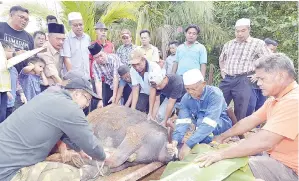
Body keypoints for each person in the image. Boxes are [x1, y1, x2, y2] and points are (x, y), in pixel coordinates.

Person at [196, 53, 298, 181]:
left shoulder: (293, 102)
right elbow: (250, 120)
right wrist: (222, 137)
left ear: (280, 76)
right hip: (273, 156)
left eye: (262, 78)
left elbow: (264, 141)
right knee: (233, 153)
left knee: (226, 168)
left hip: (289, 169)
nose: (259, 83)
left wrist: (221, 154)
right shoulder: (275, 99)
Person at [0, 77, 106, 181]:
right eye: (87, 99)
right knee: (73, 174)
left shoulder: (48, 96)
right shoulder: (70, 107)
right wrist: (103, 157)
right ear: (77, 94)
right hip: (7, 173)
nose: (87, 104)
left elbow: (63, 133)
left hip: (5, 157)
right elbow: (89, 142)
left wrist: (79, 149)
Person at [170, 69, 232, 160]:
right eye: (187, 89)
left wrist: (188, 144)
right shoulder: (186, 98)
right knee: (195, 125)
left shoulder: (215, 94)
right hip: (200, 127)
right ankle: (202, 141)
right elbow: (183, 121)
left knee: (200, 122)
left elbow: (209, 123)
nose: (190, 92)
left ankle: (217, 139)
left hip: (220, 124)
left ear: (203, 84)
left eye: (194, 88)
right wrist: (175, 140)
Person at [219, 18, 271, 122]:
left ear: (249, 30)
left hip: (244, 79)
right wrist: (223, 71)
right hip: (228, 78)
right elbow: (222, 59)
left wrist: (258, 75)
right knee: (218, 102)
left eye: (243, 31)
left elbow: (269, 59)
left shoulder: (258, 43)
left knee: (241, 107)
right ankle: (218, 127)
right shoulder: (229, 44)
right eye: (237, 31)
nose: (239, 34)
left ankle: (237, 134)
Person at [0, 5, 34, 73]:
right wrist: (15, 54)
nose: (24, 21)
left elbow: (31, 58)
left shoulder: (29, 37)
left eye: (27, 20)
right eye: (22, 17)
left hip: (20, 77)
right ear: (11, 15)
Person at [89, 42, 121, 107]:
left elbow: (116, 77)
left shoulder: (113, 58)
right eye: (96, 57)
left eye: (101, 55)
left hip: (121, 81)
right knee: (106, 102)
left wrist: (114, 95)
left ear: (104, 52)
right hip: (109, 83)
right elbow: (98, 82)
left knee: (118, 102)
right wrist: (100, 100)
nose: (100, 59)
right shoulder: (95, 64)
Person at [129, 47, 161, 113]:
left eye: (138, 64)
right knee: (137, 109)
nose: (136, 68)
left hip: (157, 94)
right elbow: (135, 88)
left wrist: (150, 112)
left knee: (155, 114)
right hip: (144, 92)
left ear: (143, 60)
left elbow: (153, 89)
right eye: (134, 65)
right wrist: (132, 109)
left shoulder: (154, 68)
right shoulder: (132, 70)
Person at [62, 12, 91, 80]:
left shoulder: (87, 37)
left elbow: (88, 56)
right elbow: (66, 59)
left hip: (86, 76)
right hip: (73, 78)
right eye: (75, 25)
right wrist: (72, 76)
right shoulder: (66, 38)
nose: (78, 27)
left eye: (80, 24)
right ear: (71, 26)